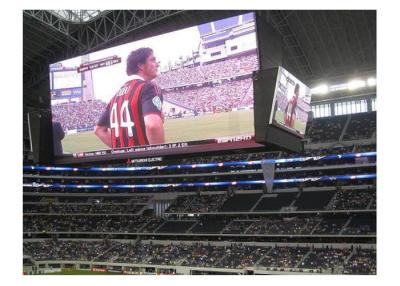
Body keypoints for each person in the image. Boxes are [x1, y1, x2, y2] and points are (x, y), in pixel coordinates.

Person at [95, 47, 165, 148]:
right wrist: (159, 157)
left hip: (125, 162)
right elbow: (152, 125)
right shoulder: (148, 87)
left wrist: (121, 150)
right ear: (140, 65)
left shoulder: (115, 96)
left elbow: (99, 130)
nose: (157, 64)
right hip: (145, 162)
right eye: (153, 60)